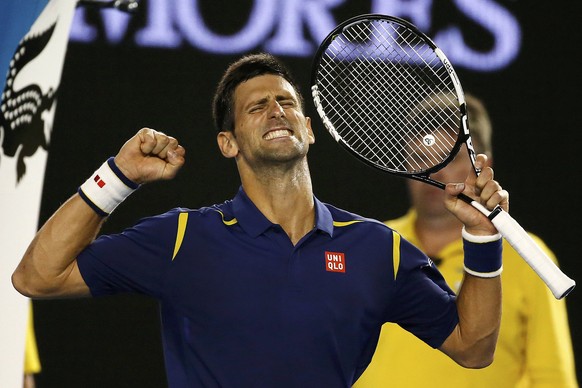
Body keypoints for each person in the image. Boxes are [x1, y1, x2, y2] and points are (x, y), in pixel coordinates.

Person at [12, 53, 509, 388]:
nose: (276, 110)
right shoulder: (183, 237)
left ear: (309, 130)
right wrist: (117, 177)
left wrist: (482, 238)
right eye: (256, 107)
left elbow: (473, 347)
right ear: (228, 143)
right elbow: (36, 275)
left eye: (287, 102)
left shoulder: (380, 250)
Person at [354, 94, 578, 388]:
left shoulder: (526, 254)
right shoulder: (370, 245)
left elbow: (552, 378)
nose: (433, 172)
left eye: (449, 158)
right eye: (421, 159)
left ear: (482, 164)